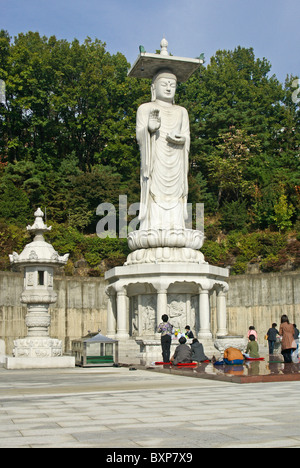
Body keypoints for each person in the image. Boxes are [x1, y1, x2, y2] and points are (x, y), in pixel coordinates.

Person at [136, 69, 190, 232]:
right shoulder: (145, 108)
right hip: (155, 159)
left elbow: (187, 136)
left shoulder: (182, 111)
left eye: (172, 85)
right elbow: (139, 136)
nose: (168, 88)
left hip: (176, 161)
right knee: (154, 188)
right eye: (164, 84)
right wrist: (149, 129)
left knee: (177, 193)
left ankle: (177, 226)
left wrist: (182, 139)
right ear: (154, 88)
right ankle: (152, 226)